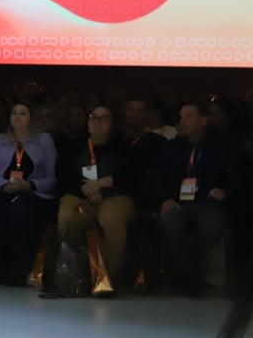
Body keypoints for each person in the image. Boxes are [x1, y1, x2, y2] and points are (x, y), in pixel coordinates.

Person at [0, 100, 58, 286]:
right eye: (15, 113)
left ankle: (23, 271)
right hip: (3, 190)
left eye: (23, 113)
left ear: (31, 118)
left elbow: (53, 177)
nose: (18, 117)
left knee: (22, 210)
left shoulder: (44, 140)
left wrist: (30, 185)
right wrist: (3, 185)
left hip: (32, 193)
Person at [154, 100, 233, 296]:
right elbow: (157, 177)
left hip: (207, 202)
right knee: (170, 223)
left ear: (203, 120)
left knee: (213, 225)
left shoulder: (221, 146)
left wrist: (223, 191)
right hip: (178, 202)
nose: (183, 121)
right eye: (181, 117)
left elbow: (233, 176)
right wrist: (165, 198)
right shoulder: (172, 148)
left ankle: (184, 272)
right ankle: (190, 275)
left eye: (189, 116)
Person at [56, 104, 137, 283]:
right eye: (94, 117)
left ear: (113, 124)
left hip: (114, 197)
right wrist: (85, 188)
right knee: (67, 217)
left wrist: (102, 184)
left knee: (111, 220)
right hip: (80, 196)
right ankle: (74, 275)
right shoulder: (73, 147)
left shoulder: (124, 148)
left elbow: (132, 177)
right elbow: (63, 175)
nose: (98, 122)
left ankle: (104, 278)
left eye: (104, 118)